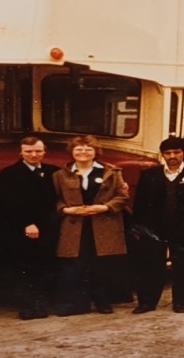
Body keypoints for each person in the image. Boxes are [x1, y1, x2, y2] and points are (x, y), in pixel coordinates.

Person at [131, 136, 184, 314]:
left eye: (176, 152)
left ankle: (180, 302)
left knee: (182, 267)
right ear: (163, 155)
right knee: (152, 266)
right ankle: (147, 303)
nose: (172, 156)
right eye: (167, 153)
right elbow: (140, 204)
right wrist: (138, 228)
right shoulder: (150, 175)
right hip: (154, 230)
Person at [53, 135, 130, 316]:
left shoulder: (112, 172)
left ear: (96, 152)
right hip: (74, 226)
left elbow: (122, 197)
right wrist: (66, 210)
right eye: (78, 149)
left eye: (88, 149)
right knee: (73, 266)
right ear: (72, 152)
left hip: (103, 225)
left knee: (101, 265)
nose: (83, 152)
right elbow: (55, 199)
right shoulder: (60, 175)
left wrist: (104, 207)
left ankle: (102, 302)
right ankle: (75, 305)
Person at [0, 136, 60, 320]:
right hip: (24, 228)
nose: (34, 155)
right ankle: (27, 307)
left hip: (48, 227)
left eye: (38, 151)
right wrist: (26, 223)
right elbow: (7, 203)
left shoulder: (53, 172)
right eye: (29, 151)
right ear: (21, 153)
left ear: (44, 152)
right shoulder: (9, 173)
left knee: (45, 267)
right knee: (26, 269)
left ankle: (42, 306)